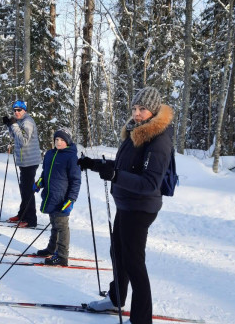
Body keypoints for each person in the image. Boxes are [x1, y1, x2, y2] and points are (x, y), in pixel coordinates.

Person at [77, 87, 173, 324]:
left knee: (133, 263)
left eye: (142, 109)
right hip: (127, 204)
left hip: (140, 208)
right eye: (134, 108)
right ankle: (116, 298)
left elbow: (150, 183)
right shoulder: (135, 132)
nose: (137, 113)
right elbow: (126, 166)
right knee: (117, 253)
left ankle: (141, 319)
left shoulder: (158, 140)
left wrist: (115, 176)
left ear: (154, 111)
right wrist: (97, 164)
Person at [33, 128, 81, 266]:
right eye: (56, 140)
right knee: (54, 224)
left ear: (68, 141)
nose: (58, 142)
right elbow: (45, 173)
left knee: (61, 226)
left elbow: (76, 181)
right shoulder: (50, 154)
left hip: (62, 198)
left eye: (62, 140)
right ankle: (52, 248)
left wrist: (71, 200)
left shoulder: (71, 157)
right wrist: (40, 182)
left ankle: (62, 255)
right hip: (50, 195)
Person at [3, 100, 42, 228]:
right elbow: (14, 137)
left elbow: (23, 140)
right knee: (24, 189)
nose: (16, 112)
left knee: (28, 190)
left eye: (19, 110)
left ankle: (31, 220)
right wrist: (10, 125)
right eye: (14, 110)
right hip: (24, 161)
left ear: (24, 110)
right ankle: (22, 215)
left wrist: (13, 125)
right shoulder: (19, 121)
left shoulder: (28, 122)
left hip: (30, 161)